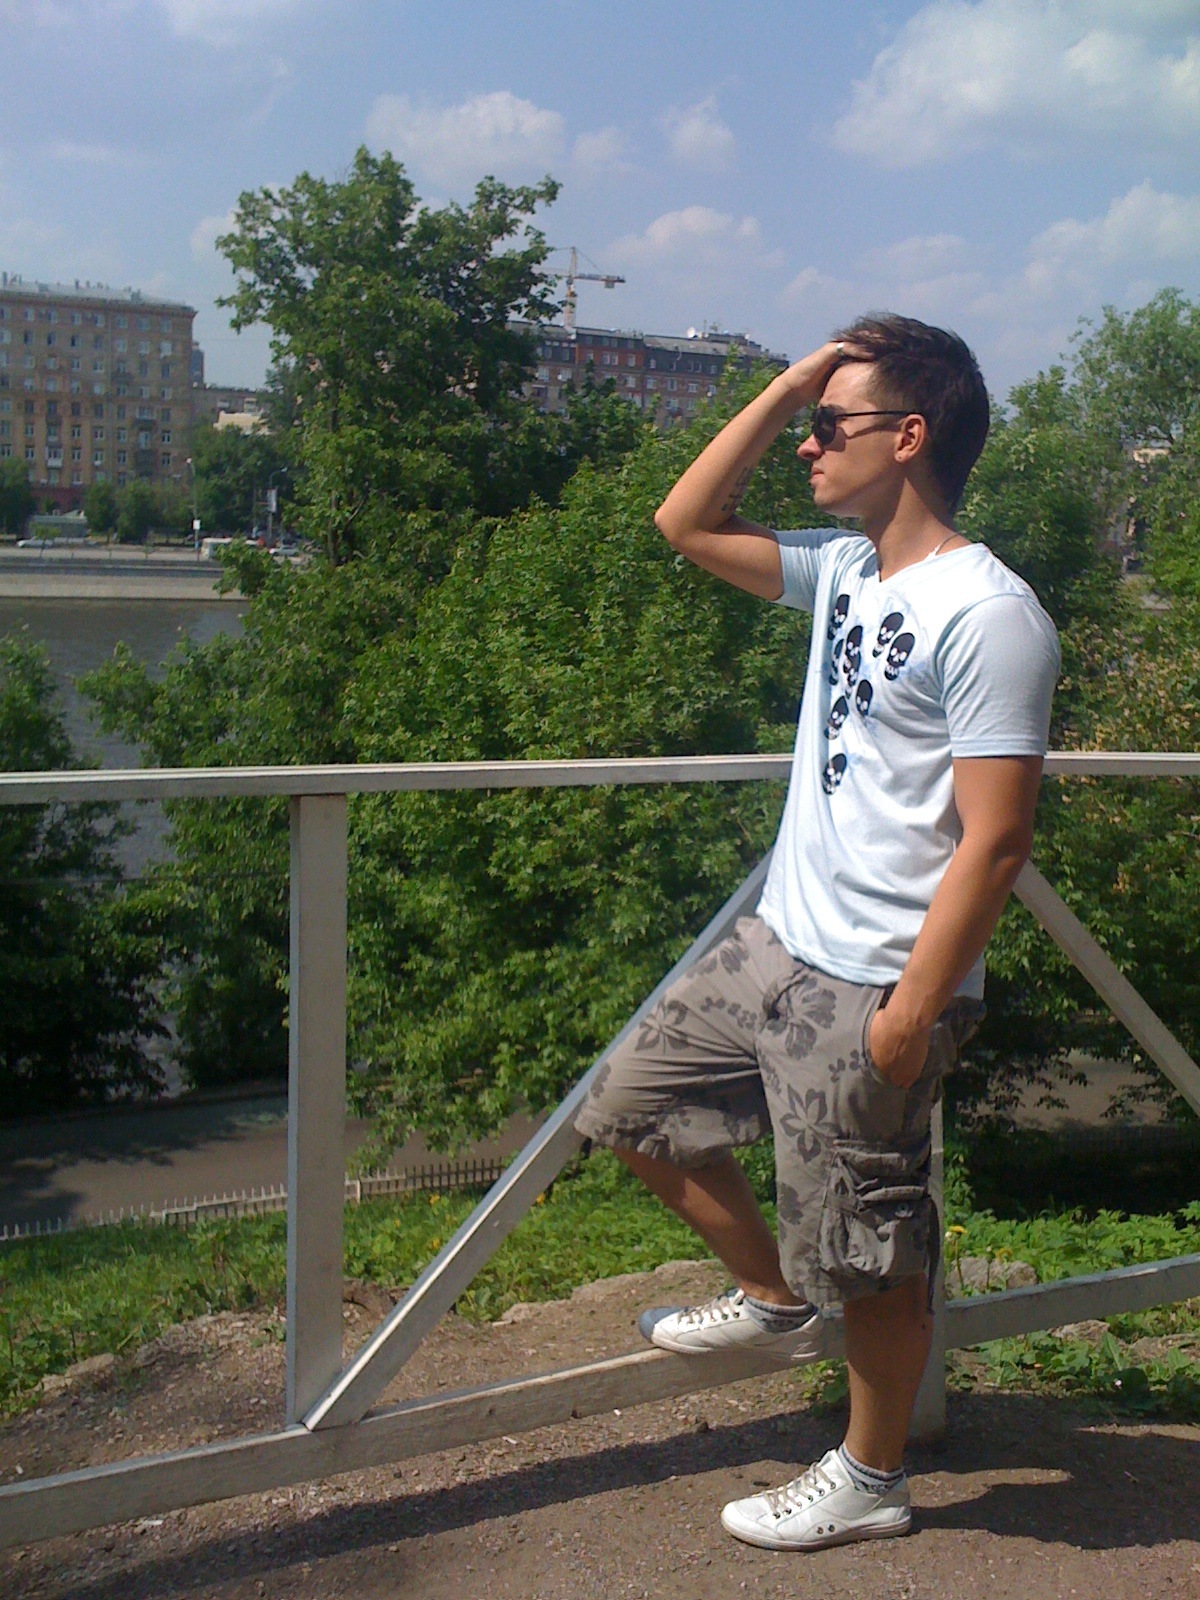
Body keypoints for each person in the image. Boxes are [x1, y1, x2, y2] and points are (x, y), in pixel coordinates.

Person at [575, 313, 1060, 1552]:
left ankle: (871, 1474)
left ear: (909, 437)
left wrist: (910, 1013)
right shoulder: (846, 569)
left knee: (872, 1244)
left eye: (829, 424)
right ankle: (770, 1295)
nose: (808, 443)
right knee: (626, 1106)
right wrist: (794, 382)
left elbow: (997, 839)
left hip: (875, 984)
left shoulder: (988, 613)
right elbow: (684, 523)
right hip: (777, 944)